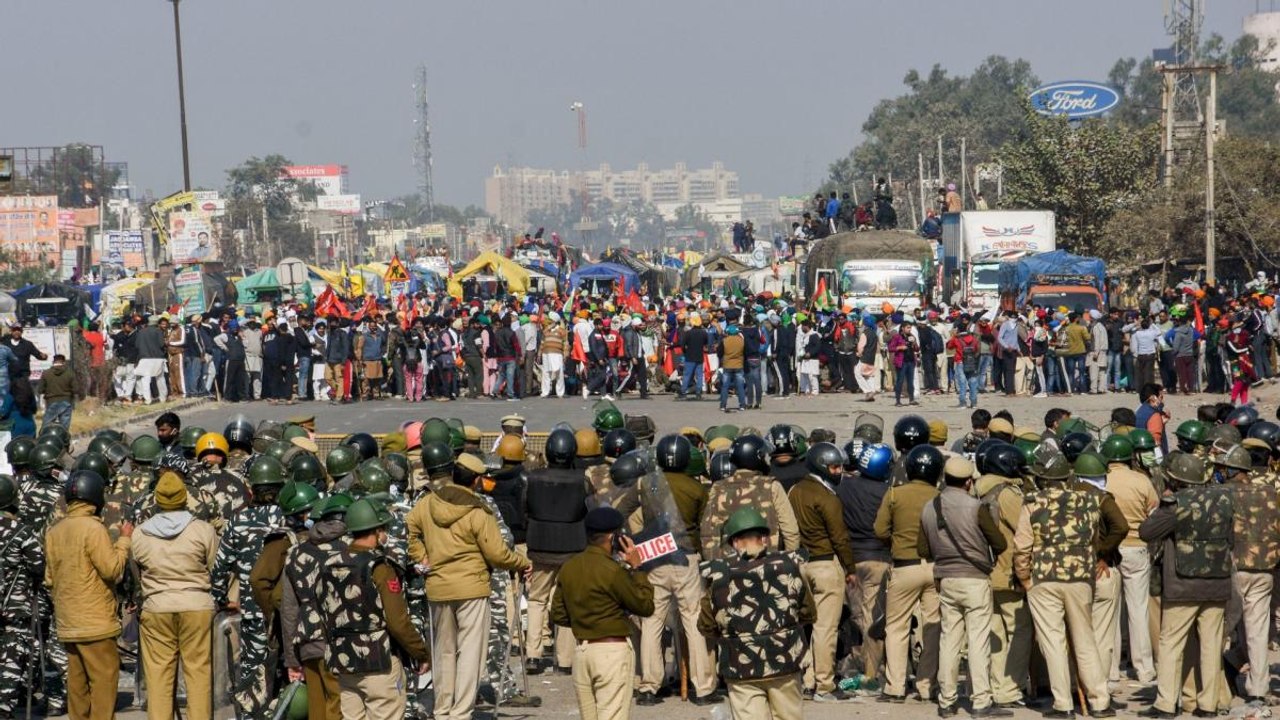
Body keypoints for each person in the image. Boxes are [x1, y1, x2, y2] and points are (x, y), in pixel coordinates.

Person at [405, 453, 530, 720]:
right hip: (472, 588)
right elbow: (497, 554)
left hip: (438, 586)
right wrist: (521, 562)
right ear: (474, 481)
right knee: (471, 653)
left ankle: (442, 709)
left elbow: (410, 528)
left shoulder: (428, 503)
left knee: (443, 652)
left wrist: (421, 556)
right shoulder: (478, 510)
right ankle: (461, 712)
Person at [1013, 449, 1118, 718]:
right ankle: (1100, 700)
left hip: (1044, 578)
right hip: (1081, 577)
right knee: (1085, 640)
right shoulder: (1088, 501)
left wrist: (1024, 578)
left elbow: (1022, 546)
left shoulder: (1033, 502)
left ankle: (1063, 703)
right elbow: (1095, 538)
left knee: (1054, 642)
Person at [1139, 453, 1234, 718]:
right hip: (1217, 583)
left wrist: (1164, 504)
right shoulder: (1225, 500)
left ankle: (1166, 703)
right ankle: (1208, 704)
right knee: (1211, 645)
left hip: (1182, 585)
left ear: (1176, 479)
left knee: (1171, 644)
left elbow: (1147, 532)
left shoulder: (1175, 504)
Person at [317, 498, 431, 720]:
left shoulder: (328, 564)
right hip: (378, 661)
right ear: (377, 531)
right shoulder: (379, 566)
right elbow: (398, 621)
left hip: (343, 660)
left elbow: (323, 613)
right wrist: (420, 652)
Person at [699, 507, 814, 720]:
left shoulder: (719, 575)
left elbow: (706, 625)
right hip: (785, 661)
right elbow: (808, 613)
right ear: (764, 539)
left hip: (741, 665)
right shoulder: (789, 566)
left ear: (734, 542)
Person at [919, 456, 1010, 718]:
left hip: (946, 579)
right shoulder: (975, 507)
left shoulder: (930, 507)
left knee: (949, 639)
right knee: (978, 640)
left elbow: (922, 549)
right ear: (969, 481)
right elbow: (1000, 544)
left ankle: (946, 700)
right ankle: (981, 701)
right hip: (974, 580)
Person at [635, 435, 718, 706]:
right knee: (693, 620)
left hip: (655, 556)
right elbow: (705, 528)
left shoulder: (647, 484)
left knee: (652, 621)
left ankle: (648, 686)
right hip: (686, 557)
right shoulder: (697, 489)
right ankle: (703, 687)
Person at [44, 470, 133, 720]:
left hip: (68, 622)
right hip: (96, 623)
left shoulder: (54, 532)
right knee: (104, 680)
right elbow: (112, 570)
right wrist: (124, 542)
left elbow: (49, 579)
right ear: (95, 496)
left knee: (77, 683)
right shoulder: (94, 529)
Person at [551, 506, 655, 720]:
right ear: (614, 537)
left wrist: (586, 620)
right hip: (612, 652)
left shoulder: (569, 567)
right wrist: (638, 569)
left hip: (582, 653)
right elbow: (645, 606)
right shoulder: (613, 571)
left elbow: (559, 615)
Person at [129, 472, 218, 720]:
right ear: (184, 498)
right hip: (197, 607)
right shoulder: (203, 530)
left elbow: (136, 574)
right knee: (199, 673)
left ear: (157, 499)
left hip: (156, 607)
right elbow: (215, 569)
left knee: (158, 677)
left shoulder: (140, 534)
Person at [787, 443, 857, 702]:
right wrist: (850, 569)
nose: (839, 471)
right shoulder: (828, 498)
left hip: (800, 564)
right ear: (821, 465)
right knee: (825, 628)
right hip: (826, 565)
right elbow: (840, 538)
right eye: (834, 466)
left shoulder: (794, 491)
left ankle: (807, 680)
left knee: (804, 628)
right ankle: (825, 685)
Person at [874, 444, 942, 703]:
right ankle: (926, 685)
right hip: (935, 567)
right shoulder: (939, 495)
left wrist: (897, 541)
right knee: (932, 627)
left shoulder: (894, 494)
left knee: (897, 627)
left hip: (904, 566)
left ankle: (896, 686)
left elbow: (880, 530)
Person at [0, 474, 44, 720]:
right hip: (14, 603)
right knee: (12, 655)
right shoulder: (22, 531)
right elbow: (38, 566)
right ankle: (4, 708)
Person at [39, 354, 74, 429]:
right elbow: (76, 389)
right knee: (64, 429)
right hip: (66, 401)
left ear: (53, 362)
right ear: (64, 362)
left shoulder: (46, 373)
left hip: (51, 402)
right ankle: (63, 440)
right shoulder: (70, 373)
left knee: (46, 427)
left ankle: (44, 439)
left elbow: (40, 390)